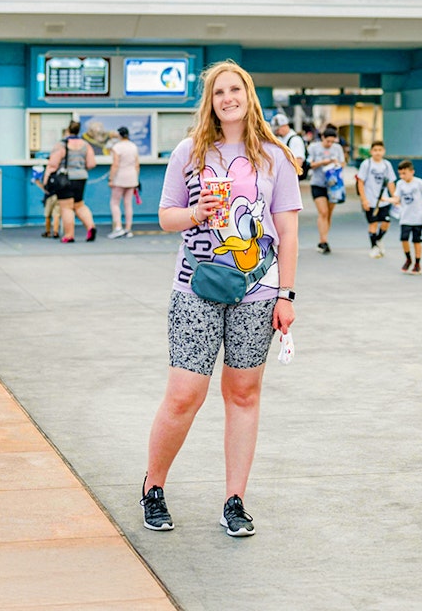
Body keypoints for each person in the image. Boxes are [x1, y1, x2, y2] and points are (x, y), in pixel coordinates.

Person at [143, 60, 301, 538]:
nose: (228, 97)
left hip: (258, 291)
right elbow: (166, 216)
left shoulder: (275, 156)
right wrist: (195, 212)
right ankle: (154, 486)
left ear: (249, 95)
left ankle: (235, 500)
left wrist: (286, 295)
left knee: (244, 393)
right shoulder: (190, 152)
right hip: (196, 286)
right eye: (218, 92)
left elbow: (288, 232)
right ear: (209, 102)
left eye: (235, 89)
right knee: (184, 395)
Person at [45, 120, 98, 243]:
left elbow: (53, 164)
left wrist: (46, 179)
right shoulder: (86, 145)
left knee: (66, 207)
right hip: (81, 178)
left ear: (67, 130)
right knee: (79, 205)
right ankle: (90, 227)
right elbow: (91, 163)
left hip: (65, 179)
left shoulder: (62, 145)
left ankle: (69, 235)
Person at [305, 126, 345, 254]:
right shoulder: (314, 148)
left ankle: (324, 238)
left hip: (333, 185)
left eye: (332, 142)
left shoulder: (337, 149)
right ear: (323, 138)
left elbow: (343, 163)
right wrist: (324, 162)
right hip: (318, 183)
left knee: (329, 213)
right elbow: (310, 164)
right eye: (328, 141)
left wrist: (336, 164)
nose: (330, 144)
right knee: (323, 212)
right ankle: (323, 241)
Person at [356, 140, 396, 258]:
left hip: (383, 200)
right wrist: (364, 200)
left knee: (386, 222)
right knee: (373, 224)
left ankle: (378, 239)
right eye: (375, 150)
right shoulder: (366, 164)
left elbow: (390, 182)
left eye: (380, 150)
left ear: (383, 151)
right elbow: (360, 182)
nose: (377, 153)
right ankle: (373, 247)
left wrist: (395, 197)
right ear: (371, 152)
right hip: (370, 200)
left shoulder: (387, 165)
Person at [392, 159, 422, 275]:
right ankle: (408, 259)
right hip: (405, 217)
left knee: (416, 241)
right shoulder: (400, 184)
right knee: (404, 239)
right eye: (400, 174)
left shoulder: (419, 183)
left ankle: (417, 263)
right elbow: (396, 198)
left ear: (412, 172)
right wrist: (387, 200)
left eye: (404, 173)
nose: (402, 176)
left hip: (418, 218)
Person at [107, 126, 140, 239]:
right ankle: (128, 229)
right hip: (132, 177)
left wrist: (111, 178)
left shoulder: (117, 147)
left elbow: (115, 164)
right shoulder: (133, 146)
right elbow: (137, 164)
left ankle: (118, 228)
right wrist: (136, 178)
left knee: (115, 202)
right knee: (128, 203)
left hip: (120, 177)